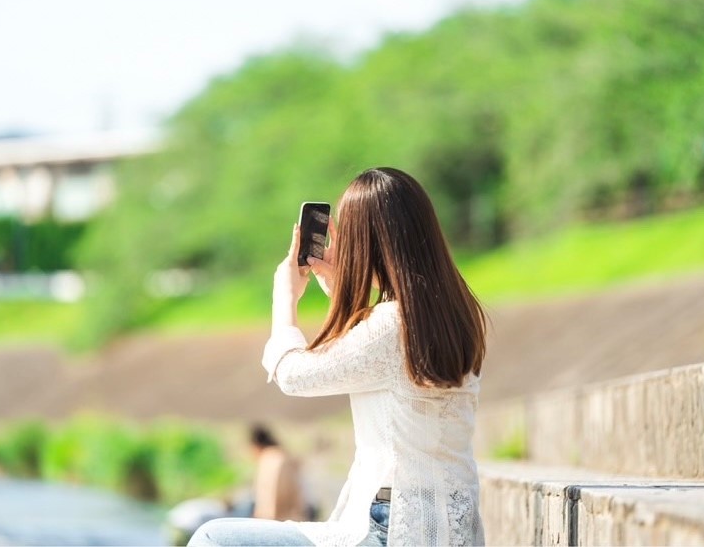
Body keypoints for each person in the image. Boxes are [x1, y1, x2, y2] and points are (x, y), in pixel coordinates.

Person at [189, 167, 487, 546]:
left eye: (350, 235)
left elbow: (295, 375)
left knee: (213, 537)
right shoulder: (455, 315)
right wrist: (342, 297)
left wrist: (285, 299)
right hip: (444, 526)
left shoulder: (392, 325)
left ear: (371, 244)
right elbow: (378, 363)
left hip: (394, 529)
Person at [248, 424, 308, 522]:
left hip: (276, 521)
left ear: (255, 445)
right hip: (295, 519)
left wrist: (265, 520)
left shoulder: (269, 459)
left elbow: (270, 494)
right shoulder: (284, 456)